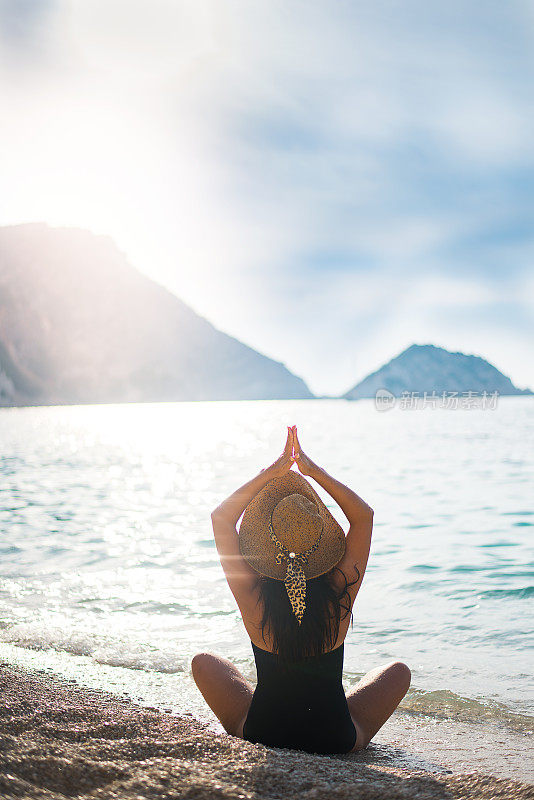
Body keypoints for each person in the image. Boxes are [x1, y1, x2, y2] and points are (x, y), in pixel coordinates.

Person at [192, 425, 411, 754]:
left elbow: (221, 518)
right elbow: (363, 517)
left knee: (203, 662)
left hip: (262, 732)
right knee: (398, 673)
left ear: (265, 544)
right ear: (322, 536)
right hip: (336, 738)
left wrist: (271, 473)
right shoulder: (339, 593)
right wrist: (312, 470)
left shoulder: (255, 597)